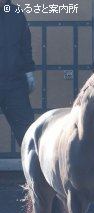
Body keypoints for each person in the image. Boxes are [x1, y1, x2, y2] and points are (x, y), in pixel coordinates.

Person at [0, 0, 35, 146]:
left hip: (14, 82)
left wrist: (28, 71)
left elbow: (25, 43)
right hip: (13, 80)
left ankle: (33, 168)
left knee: (27, 133)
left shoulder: (14, 12)